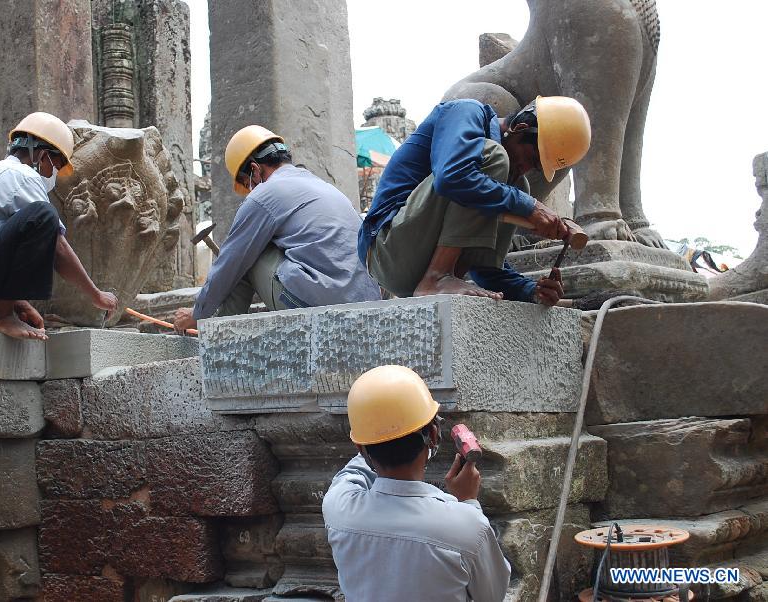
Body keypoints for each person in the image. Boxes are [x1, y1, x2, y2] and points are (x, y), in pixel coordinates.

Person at [358, 96, 591, 306]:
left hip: (414, 266)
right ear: (519, 128)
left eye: (536, 168)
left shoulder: (510, 179)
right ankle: (438, 276)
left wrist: (531, 290)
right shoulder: (466, 111)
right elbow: (451, 178)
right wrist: (529, 206)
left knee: (517, 186)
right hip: (386, 250)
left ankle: (444, 277)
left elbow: (484, 269)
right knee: (495, 161)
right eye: (531, 158)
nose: (526, 169)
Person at [322, 365, 511, 602]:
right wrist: (468, 501)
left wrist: (376, 432)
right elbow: (493, 595)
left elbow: (351, 472)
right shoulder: (468, 525)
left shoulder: (339, 509)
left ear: (361, 447)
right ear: (432, 437)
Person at [0, 112, 118, 340]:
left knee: (35, 217)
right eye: (56, 165)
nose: (55, 174)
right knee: (43, 215)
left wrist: (18, 302)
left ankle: (3, 311)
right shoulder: (23, 176)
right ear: (43, 156)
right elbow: (59, 247)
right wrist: (96, 295)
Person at [173, 125, 380, 332]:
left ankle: (220, 338)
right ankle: (221, 331)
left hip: (326, 311)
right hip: (370, 307)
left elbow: (230, 263)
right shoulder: (321, 185)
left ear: (254, 169)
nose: (250, 191)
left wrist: (198, 313)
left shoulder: (265, 194)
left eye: (247, 183)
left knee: (247, 255)